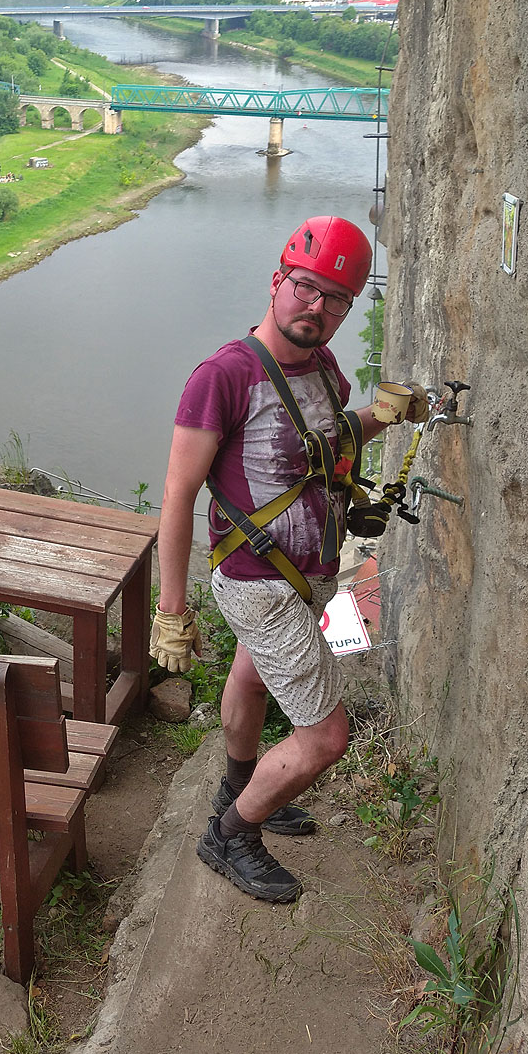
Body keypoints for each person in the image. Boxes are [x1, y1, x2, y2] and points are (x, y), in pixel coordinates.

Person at [150, 215, 427, 903]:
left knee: (250, 680)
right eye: (306, 287)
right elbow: (178, 494)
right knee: (326, 738)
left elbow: (326, 445)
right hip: (259, 582)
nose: (318, 308)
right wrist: (171, 611)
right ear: (277, 281)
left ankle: (239, 787)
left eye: (337, 299)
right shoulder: (225, 376)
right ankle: (231, 834)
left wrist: (384, 415)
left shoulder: (324, 369)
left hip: (306, 576)